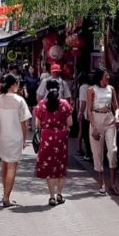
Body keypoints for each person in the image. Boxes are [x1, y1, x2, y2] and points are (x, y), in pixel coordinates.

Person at [0, 74, 31, 207]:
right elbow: (24, 123)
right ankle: (6, 197)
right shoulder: (19, 100)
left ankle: (5, 193)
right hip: (15, 136)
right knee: (12, 166)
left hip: (2, 136)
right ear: (14, 85)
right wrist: (25, 139)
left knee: (4, 163)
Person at [35, 78, 73, 206]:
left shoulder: (41, 105)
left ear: (46, 89)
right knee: (60, 166)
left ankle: (51, 196)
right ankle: (60, 195)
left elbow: (37, 124)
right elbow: (70, 123)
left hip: (47, 137)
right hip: (61, 137)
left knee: (49, 166)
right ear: (59, 88)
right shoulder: (65, 104)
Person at [86, 68, 119, 195]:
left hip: (109, 119)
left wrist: (116, 116)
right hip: (96, 118)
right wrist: (94, 127)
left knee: (112, 150)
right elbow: (89, 110)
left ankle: (113, 184)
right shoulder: (91, 90)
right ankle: (101, 183)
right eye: (106, 76)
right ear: (100, 77)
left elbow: (116, 107)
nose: (108, 78)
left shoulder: (111, 89)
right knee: (97, 152)